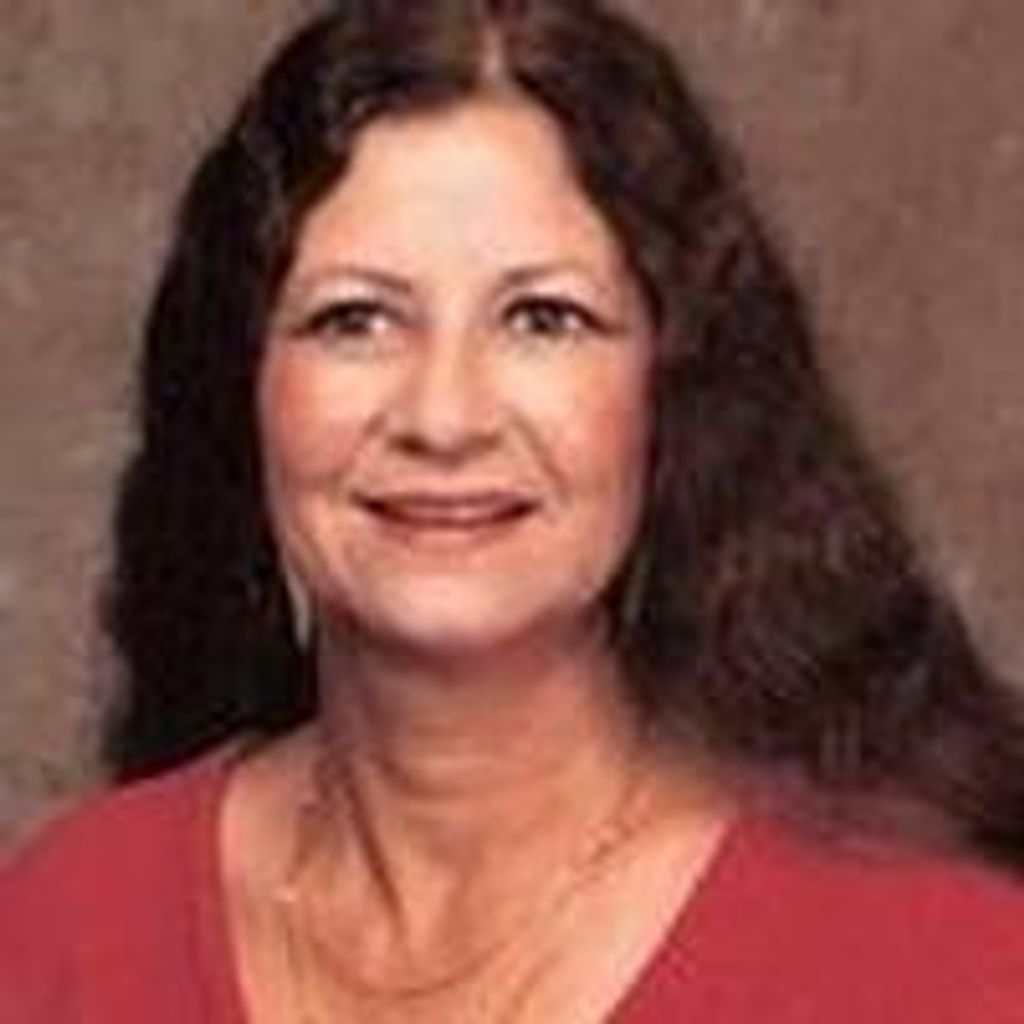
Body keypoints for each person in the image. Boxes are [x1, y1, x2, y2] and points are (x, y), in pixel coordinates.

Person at [3, 1, 1024, 1021]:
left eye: (544, 318)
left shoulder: (943, 965)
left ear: (673, 391)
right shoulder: (68, 926)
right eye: (355, 320)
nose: (443, 418)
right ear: (245, 389)